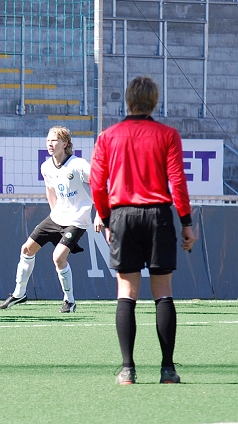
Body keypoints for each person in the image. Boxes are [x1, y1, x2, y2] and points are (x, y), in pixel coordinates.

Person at [90, 76, 196, 385]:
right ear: (154, 101)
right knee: (163, 293)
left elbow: (98, 184)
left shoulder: (108, 136)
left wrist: (108, 220)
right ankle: (167, 369)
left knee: (127, 293)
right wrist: (186, 222)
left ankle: (127, 369)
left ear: (127, 100)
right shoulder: (167, 135)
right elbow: (177, 181)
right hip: (158, 217)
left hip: (123, 215)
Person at [0, 126, 96, 313]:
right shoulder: (46, 166)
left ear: (65, 144)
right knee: (26, 249)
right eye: (48, 140)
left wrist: (100, 214)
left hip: (77, 219)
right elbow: (50, 190)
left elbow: (99, 185)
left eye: (55, 140)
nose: (50, 144)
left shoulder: (78, 165)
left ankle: (69, 300)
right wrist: (55, 215)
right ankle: (19, 293)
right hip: (57, 217)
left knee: (58, 257)